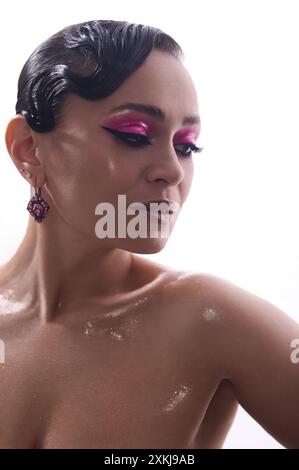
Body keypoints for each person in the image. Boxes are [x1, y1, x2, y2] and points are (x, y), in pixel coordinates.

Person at [0, 19, 298, 450]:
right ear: (29, 148)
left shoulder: (211, 319)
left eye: (186, 145)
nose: (173, 170)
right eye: (134, 135)